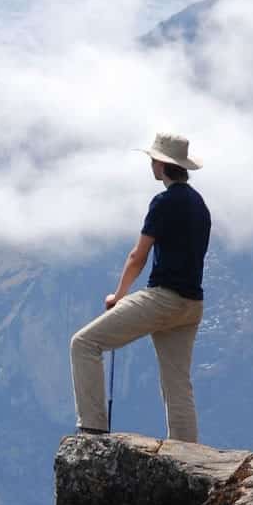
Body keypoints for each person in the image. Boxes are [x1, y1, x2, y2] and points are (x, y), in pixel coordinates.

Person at [70, 132, 211, 442]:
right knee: (177, 381)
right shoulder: (199, 205)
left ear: (161, 164)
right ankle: (187, 451)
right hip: (192, 305)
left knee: (84, 344)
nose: (151, 164)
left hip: (164, 299)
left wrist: (118, 296)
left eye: (152, 159)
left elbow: (138, 256)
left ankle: (91, 428)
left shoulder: (163, 202)